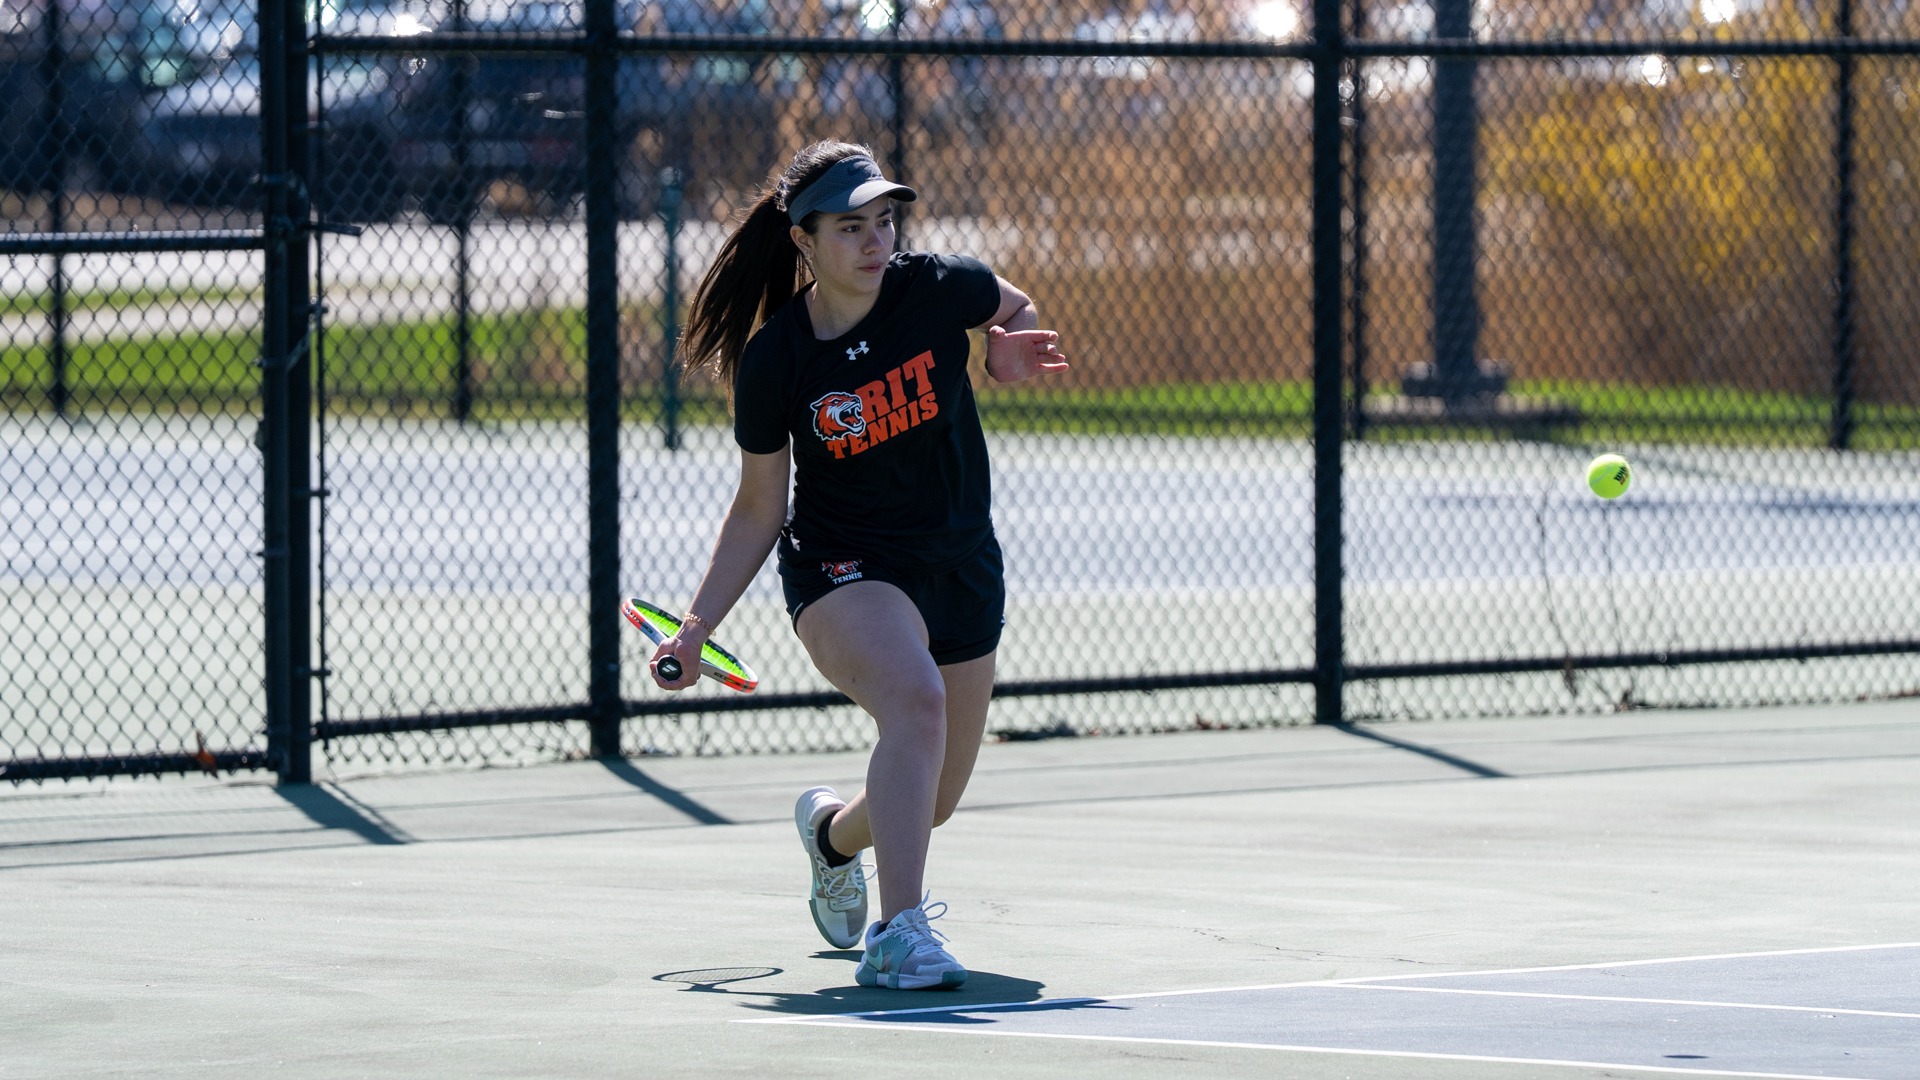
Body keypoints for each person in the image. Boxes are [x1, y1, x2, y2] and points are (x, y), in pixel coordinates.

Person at [651, 139, 1068, 990]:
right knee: (913, 705)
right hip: (843, 568)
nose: (876, 240)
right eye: (851, 226)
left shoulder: (939, 286)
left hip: (960, 562)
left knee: (933, 798)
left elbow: (1013, 303)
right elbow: (760, 506)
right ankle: (898, 934)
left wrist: (1005, 342)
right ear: (803, 240)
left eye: (883, 219)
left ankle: (833, 836)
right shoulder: (776, 359)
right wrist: (697, 628)